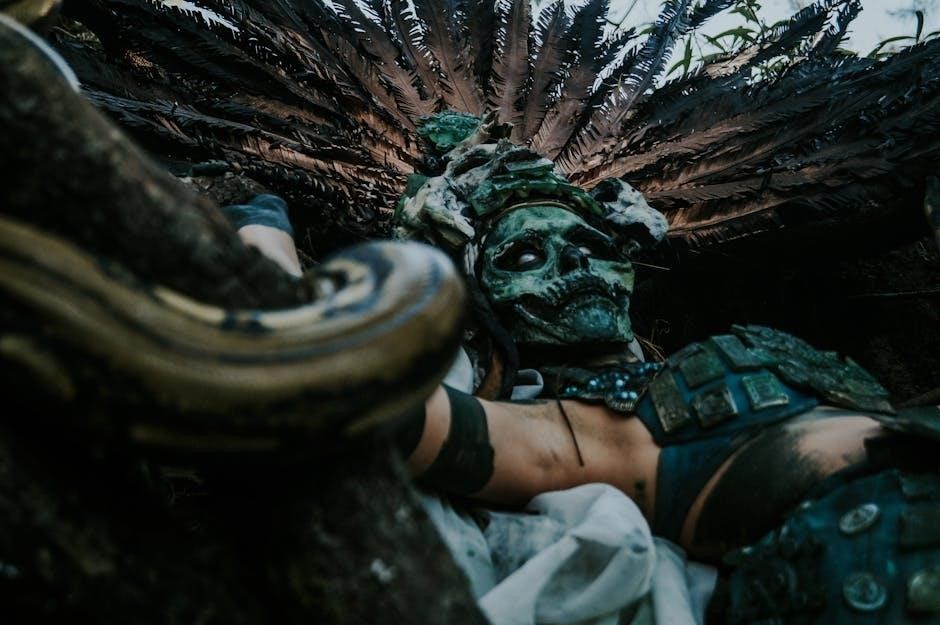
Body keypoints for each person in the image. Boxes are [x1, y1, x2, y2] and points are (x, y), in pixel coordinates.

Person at [225, 113, 940, 624]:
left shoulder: (769, 359)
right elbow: (374, 402)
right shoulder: (637, 416)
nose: (576, 268)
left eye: (592, 246)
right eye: (525, 255)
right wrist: (263, 251)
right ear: (477, 298)